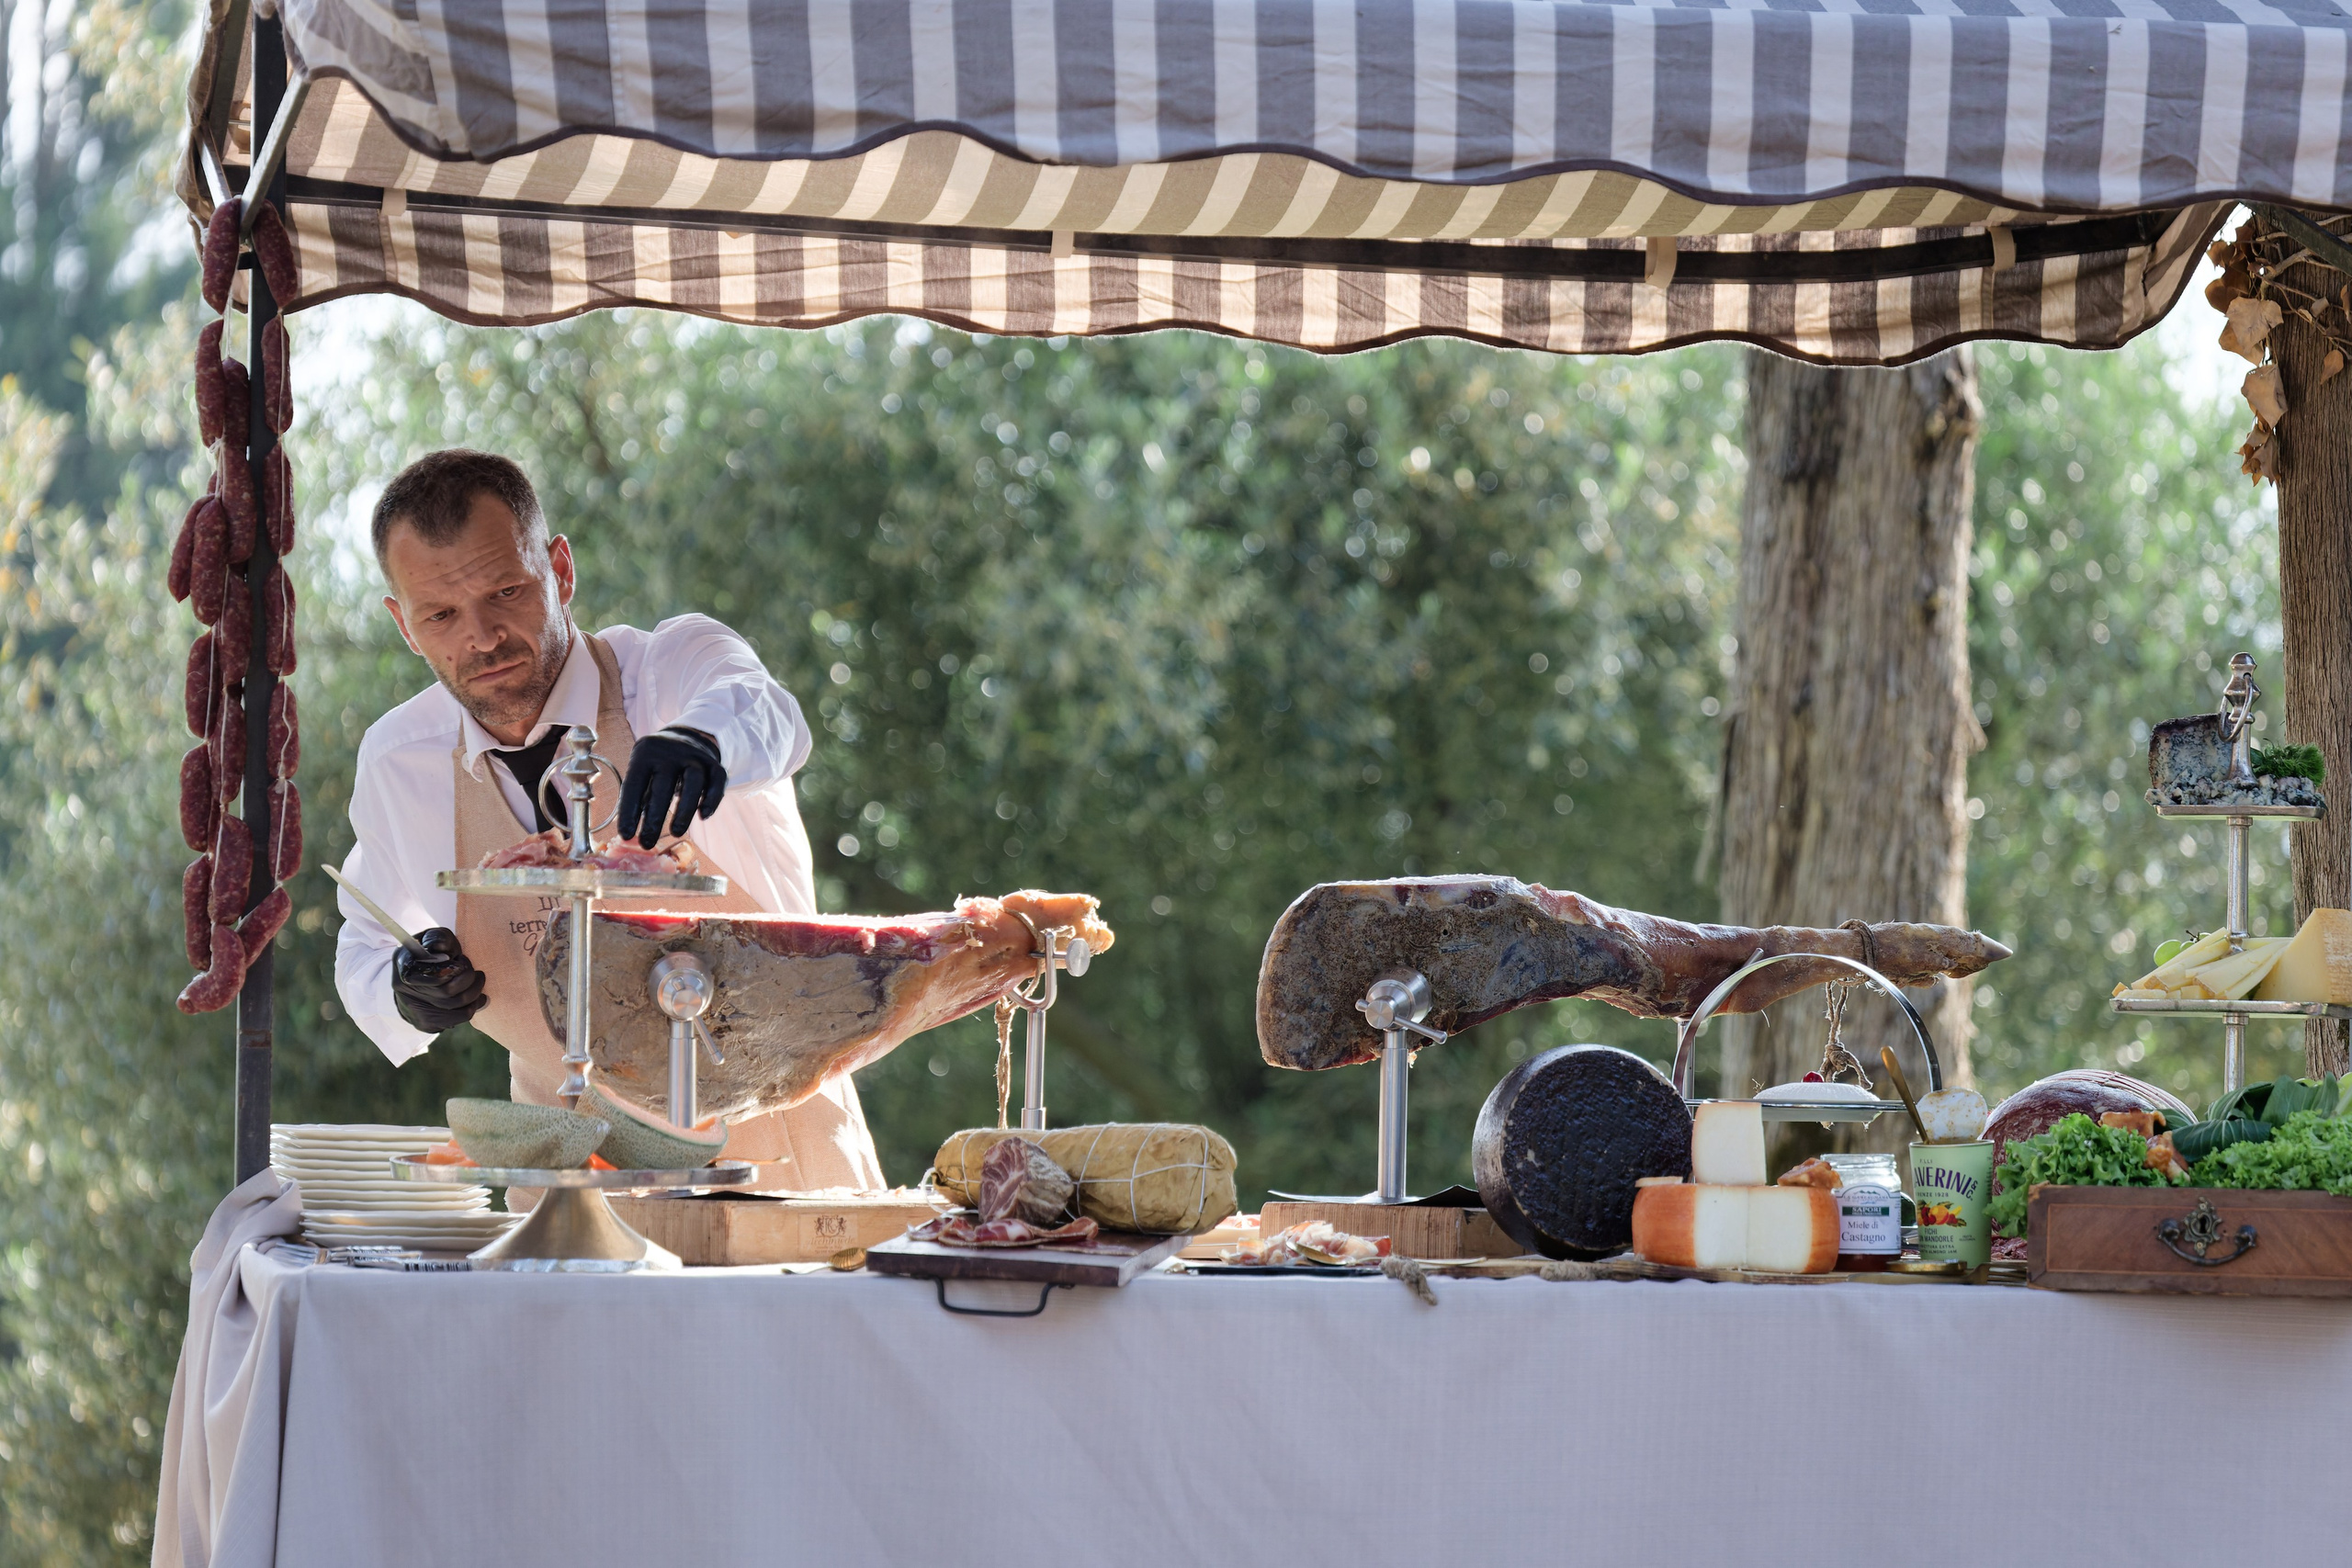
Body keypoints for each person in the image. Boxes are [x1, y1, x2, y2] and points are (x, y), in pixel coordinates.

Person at [333, 448, 882, 1190]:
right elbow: (366, 937)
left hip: (780, 1165)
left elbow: (768, 708)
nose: (482, 636)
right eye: (442, 615)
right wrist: (401, 989)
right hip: (565, 1188)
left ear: (559, 570)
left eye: (505, 591)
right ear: (405, 625)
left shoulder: (669, 669)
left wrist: (703, 741)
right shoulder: (401, 761)